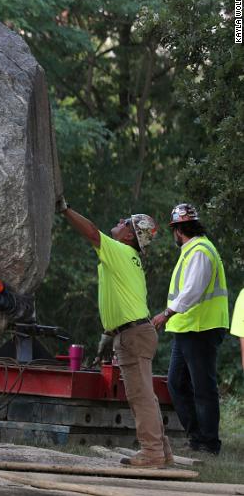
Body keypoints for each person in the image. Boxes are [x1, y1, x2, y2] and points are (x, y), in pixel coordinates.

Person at [58, 199, 171, 467]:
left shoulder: (120, 251)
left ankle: (152, 452)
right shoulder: (128, 258)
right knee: (145, 393)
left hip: (133, 335)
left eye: (124, 222)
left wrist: (65, 209)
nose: (119, 222)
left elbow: (92, 232)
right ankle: (161, 450)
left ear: (130, 235)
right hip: (135, 332)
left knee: (139, 395)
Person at [150, 204, 229, 455]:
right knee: (176, 383)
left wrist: (165, 314)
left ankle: (208, 443)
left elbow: (192, 291)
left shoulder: (200, 251)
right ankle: (196, 438)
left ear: (178, 229)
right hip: (187, 328)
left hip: (201, 328)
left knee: (203, 388)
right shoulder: (192, 250)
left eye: (173, 230)